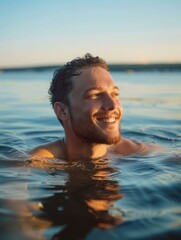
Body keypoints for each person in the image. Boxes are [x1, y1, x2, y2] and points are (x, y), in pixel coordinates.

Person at [30, 53, 157, 161]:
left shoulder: (135, 151)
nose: (113, 105)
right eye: (95, 95)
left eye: (115, 94)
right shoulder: (40, 160)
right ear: (62, 111)